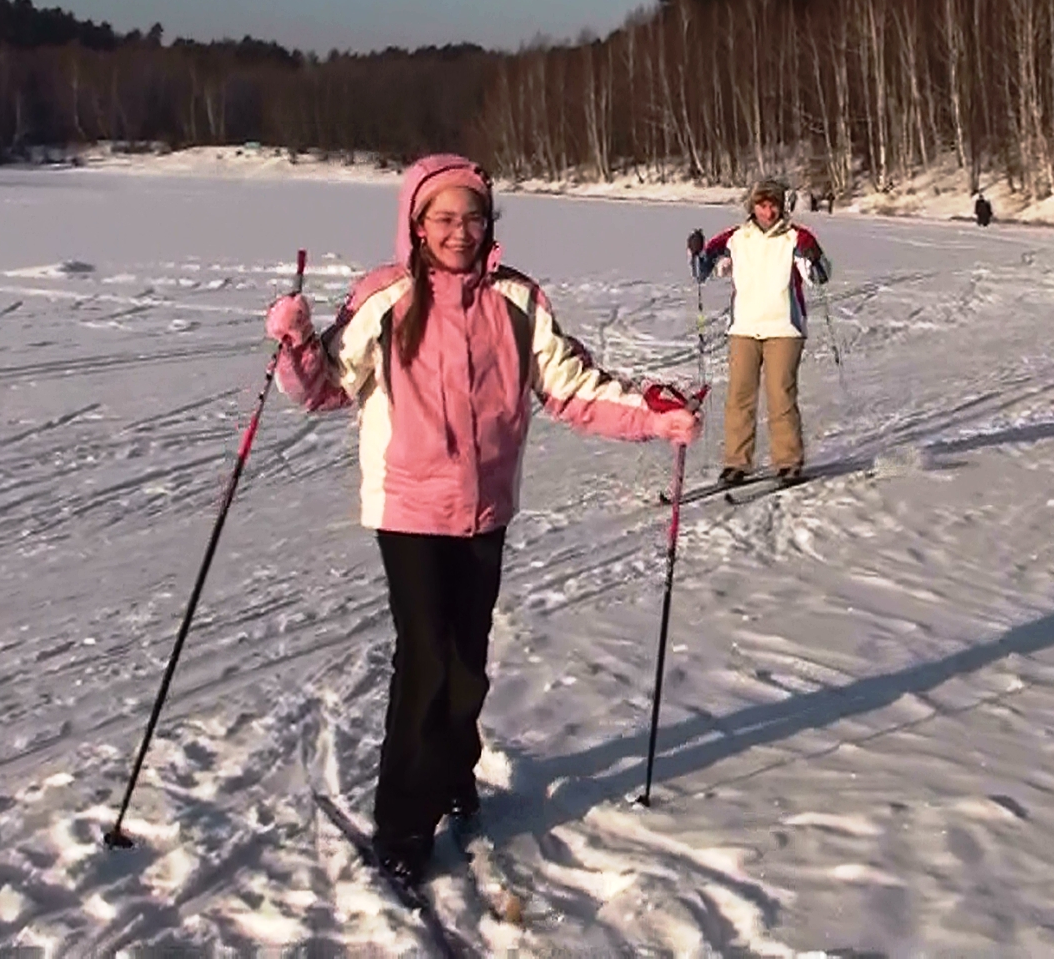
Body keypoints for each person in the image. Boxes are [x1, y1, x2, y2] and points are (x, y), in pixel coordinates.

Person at [263, 153, 700, 886]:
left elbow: (571, 386)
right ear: (416, 223)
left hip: (484, 507)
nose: (459, 231)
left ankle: (453, 769)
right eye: (444, 218)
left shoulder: (515, 299)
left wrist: (652, 415)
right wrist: (296, 341)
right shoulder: (388, 293)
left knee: (465, 664)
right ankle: (402, 826)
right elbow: (322, 388)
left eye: (472, 217)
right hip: (407, 506)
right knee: (426, 660)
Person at [686, 177, 832, 486]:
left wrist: (814, 257)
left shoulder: (797, 237)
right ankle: (737, 463)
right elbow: (703, 271)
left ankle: (789, 461)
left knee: (780, 395)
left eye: (773, 206)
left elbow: (819, 278)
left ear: (782, 207)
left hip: (785, 328)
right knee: (739, 396)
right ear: (752, 207)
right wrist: (696, 252)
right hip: (744, 328)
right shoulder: (735, 238)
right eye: (762, 205)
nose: (768, 212)